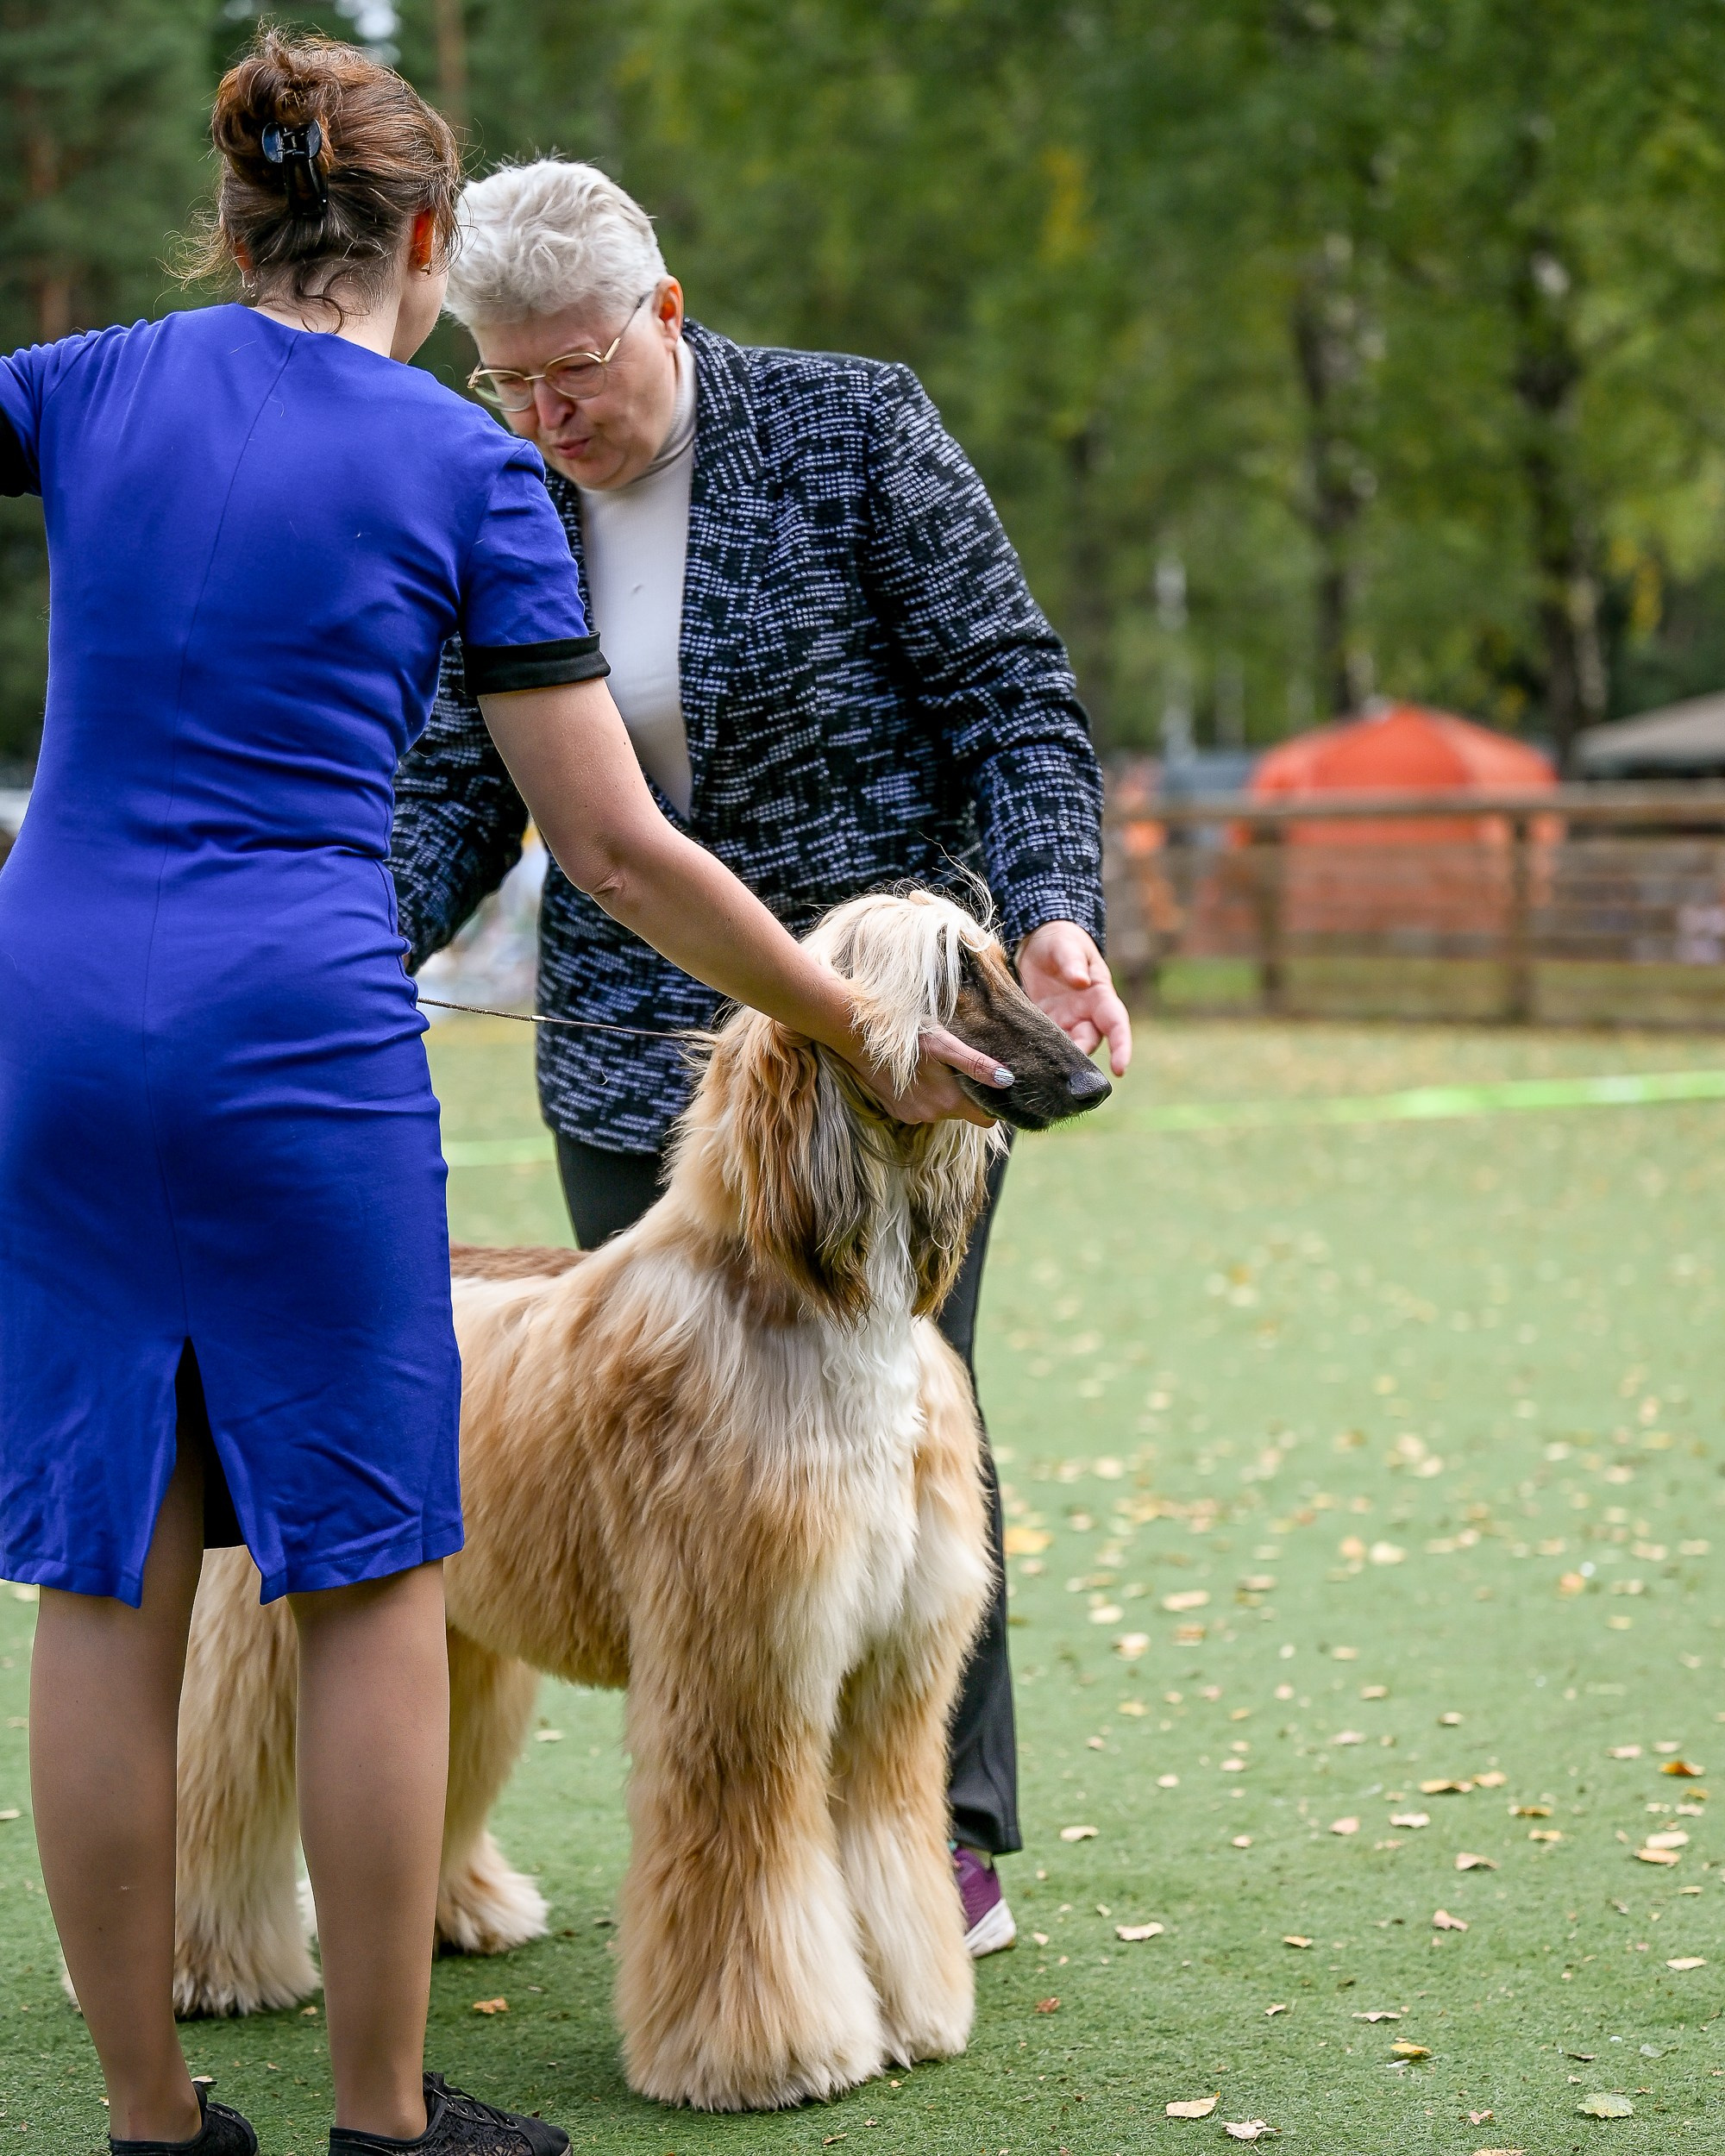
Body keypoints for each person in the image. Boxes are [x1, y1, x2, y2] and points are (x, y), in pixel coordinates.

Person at [0, 35, 1008, 2156]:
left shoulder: (79, 389)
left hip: (59, 1002)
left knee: (111, 1571)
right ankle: (383, 2115)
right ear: (431, 246)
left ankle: (152, 2118)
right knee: (366, 1570)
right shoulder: (467, 469)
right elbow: (617, 851)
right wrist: (837, 1021)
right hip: (297, 1025)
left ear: (232, 214)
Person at [391, 160, 1133, 1959]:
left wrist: (1046, 913)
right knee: (675, 1502)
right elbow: (450, 789)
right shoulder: (501, 495)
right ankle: (730, 1873)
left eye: (578, 366)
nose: (549, 412)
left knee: (900, 1438)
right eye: (509, 377)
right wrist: (334, 951)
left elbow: (1008, 694)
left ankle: (929, 1837)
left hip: (894, 1070)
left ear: (662, 310)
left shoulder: (851, 427)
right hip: (636, 1075)